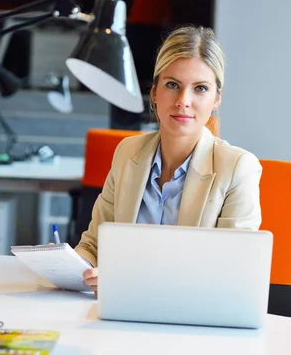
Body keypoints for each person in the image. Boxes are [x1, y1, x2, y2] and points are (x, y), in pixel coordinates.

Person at [74, 25, 263, 293]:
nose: (183, 100)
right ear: (154, 92)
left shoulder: (237, 168)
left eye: (200, 88)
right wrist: (70, 265)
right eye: (172, 85)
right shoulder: (128, 153)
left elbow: (234, 270)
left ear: (216, 99)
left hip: (192, 321)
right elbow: (94, 244)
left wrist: (128, 281)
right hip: (118, 312)